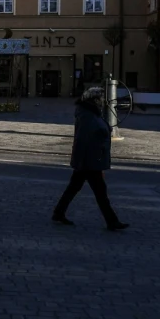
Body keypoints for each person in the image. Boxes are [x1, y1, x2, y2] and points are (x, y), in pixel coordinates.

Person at [52, 87, 128, 231]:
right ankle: (112, 221)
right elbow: (83, 139)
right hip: (90, 160)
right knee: (100, 192)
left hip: (89, 159)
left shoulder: (92, 113)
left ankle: (58, 212)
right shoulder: (87, 115)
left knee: (74, 188)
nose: (102, 101)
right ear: (94, 99)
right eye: (100, 98)